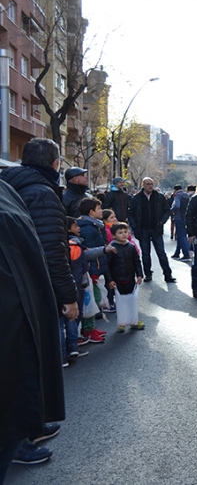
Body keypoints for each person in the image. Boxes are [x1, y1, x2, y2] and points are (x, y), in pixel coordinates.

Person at [0, 138, 75, 467]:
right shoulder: (42, 193)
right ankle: (18, 439)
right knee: (29, 364)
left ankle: (29, 426)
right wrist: (67, 296)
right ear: (55, 164)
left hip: (21, 290)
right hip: (28, 294)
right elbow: (51, 251)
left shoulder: (13, 185)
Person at [76, 198, 111, 343]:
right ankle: (88, 330)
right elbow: (89, 253)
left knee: (94, 300)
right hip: (92, 269)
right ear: (91, 212)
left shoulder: (95, 225)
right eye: (99, 209)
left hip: (96, 267)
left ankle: (91, 328)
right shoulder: (88, 228)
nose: (101, 211)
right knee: (91, 301)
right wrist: (95, 271)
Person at [128, 177, 176, 283]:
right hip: (142, 229)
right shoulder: (137, 198)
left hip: (156, 229)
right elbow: (130, 213)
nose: (150, 186)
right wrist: (134, 226)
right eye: (148, 184)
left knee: (161, 253)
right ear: (143, 185)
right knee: (145, 253)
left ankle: (167, 275)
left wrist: (161, 222)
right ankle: (148, 274)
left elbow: (167, 211)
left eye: (151, 184)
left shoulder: (159, 197)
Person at [107, 222, 145, 333]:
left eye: (125, 232)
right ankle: (122, 322)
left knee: (131, 300)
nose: (124, 234)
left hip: (130, 279)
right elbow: (108, 266)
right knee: (121, 301)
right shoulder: (112, 248)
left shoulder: (131, 247)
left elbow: (137, 262)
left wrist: (139, 274)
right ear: (114, 235)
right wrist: (109, 279)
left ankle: (133, 320)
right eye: (120, 233)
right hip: (117, 280)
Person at [170, 185, 192, 262]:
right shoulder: (186, 195)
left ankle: (186, 254)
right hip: (186, 217)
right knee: (180, 236)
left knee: (181, 236)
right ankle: (177, 253)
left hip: (179, 217)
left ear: (175, 190)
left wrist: (171, 210)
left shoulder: (177, 196)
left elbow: (177, 205)